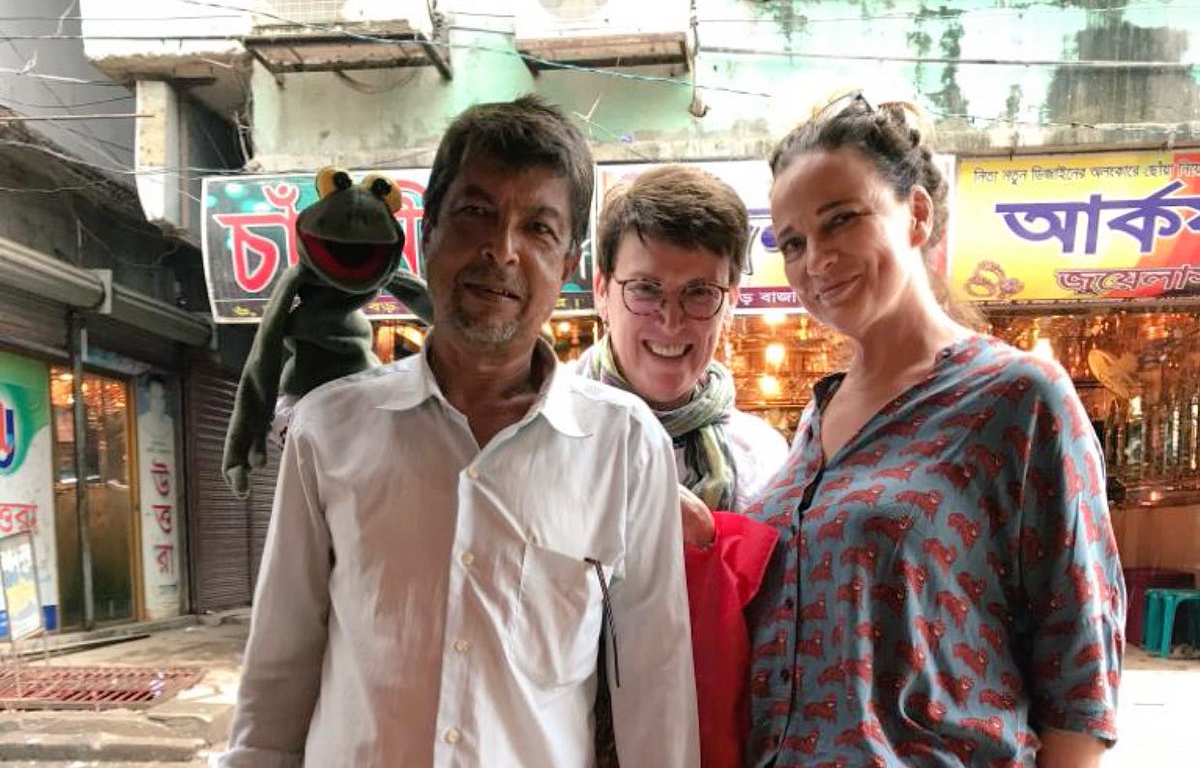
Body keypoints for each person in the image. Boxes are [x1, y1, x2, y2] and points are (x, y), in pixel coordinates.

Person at [220, 96, 700, 767]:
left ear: (565, 264)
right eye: (476, 213)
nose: (501, 250)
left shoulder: (624, 447)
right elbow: (278, 670)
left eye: (538, 227)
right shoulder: (328, 430)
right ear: (425, 236)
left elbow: (656, 686)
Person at [743, 93, 1125, 767]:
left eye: (842, 221)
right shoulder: (812, 422)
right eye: (793, 242)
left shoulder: (1016, 398)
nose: (816, 260)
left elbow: (1080, 676)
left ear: (916, 214)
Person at [581, 164, 786, 768]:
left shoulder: (765, 460)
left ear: (732, 303)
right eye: (644, 290)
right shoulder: (544, 436)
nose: (671, 322)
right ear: (601, 291)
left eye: (700, 293)